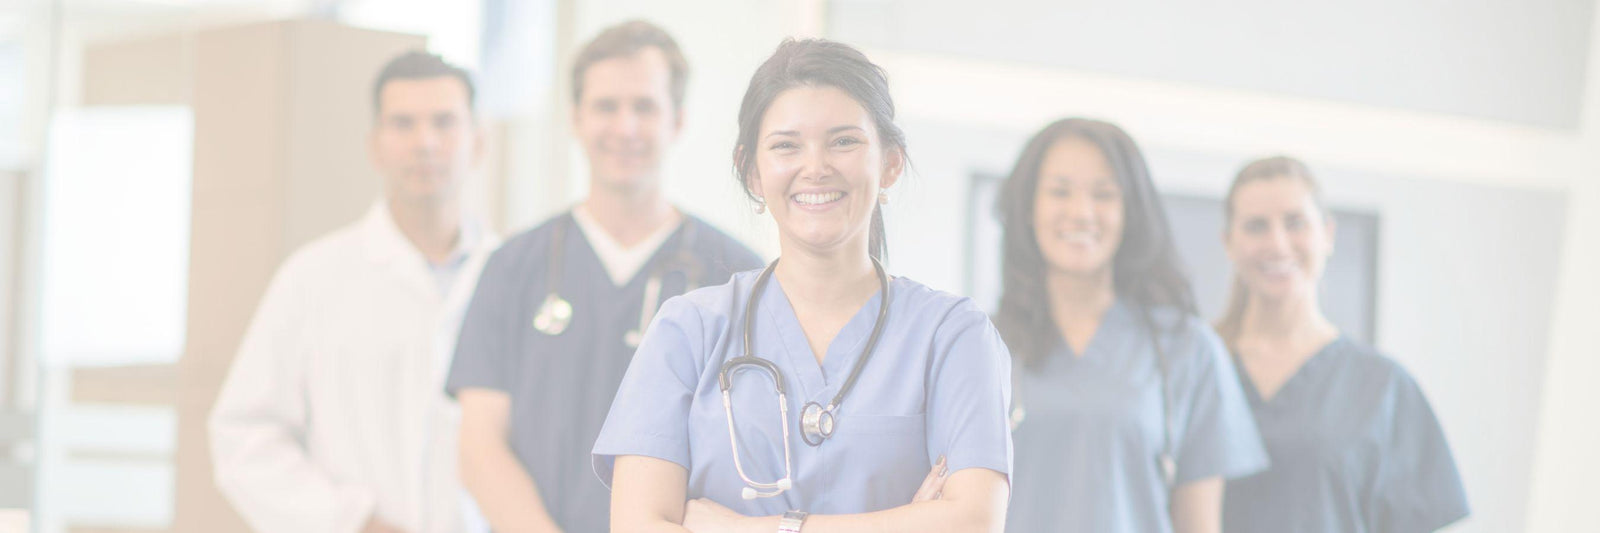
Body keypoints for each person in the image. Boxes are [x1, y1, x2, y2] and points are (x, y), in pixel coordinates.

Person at [594, 38, 1013, 533]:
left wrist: (747, 528)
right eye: (786, 146)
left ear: (890, 163)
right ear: (752, 172)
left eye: (844, 141)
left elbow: (971, 522)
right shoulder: (689, 331)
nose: (815, 168)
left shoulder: (952, 335)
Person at [447, 20, 762, 533]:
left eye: (645, 107)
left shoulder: (738, 277)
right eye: (606, 106)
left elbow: (757, 445)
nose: (625, 127)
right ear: (575, 118)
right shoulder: (513, 267)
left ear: (678, 120)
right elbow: (480, 446)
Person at [210, 51, 498, 533]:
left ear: (479, 141)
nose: (425, 142)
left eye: (444, 122)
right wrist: (353, 520)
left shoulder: (514, 277)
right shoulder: (312, 278)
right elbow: (244, 437)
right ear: (375, 146)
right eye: (403, 124)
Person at [994, 118, 1267, 533]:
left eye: (1104, 194)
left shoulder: (1187, 349)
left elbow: (1199, 525)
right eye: (1059, 191)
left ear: (1130, 213)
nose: (1081, 212)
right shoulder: (982, 345)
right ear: (1028, 209)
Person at [1216, 156, 1469, 532]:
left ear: (1328, 234)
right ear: (1229, 243)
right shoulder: (1197, 368)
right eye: (1256, 226)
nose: (1277, 243)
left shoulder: (1382, 385)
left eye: (1295, 223)